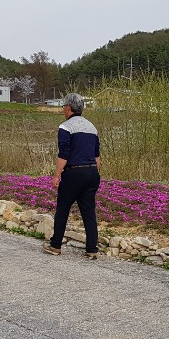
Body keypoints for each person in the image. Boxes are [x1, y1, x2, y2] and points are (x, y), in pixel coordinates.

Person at [42, 93, 101, 259]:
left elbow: (64, 153)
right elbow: (97, 156)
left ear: (69, 107)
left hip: (74, 173)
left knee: (63, 209)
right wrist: (96, 174)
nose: (62, 109)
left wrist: (56, 175)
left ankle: (55, 246)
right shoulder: (92, 127)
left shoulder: (66, 127)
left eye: (63, 106)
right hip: (91, 173)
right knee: (89, 211)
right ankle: (92, 249)